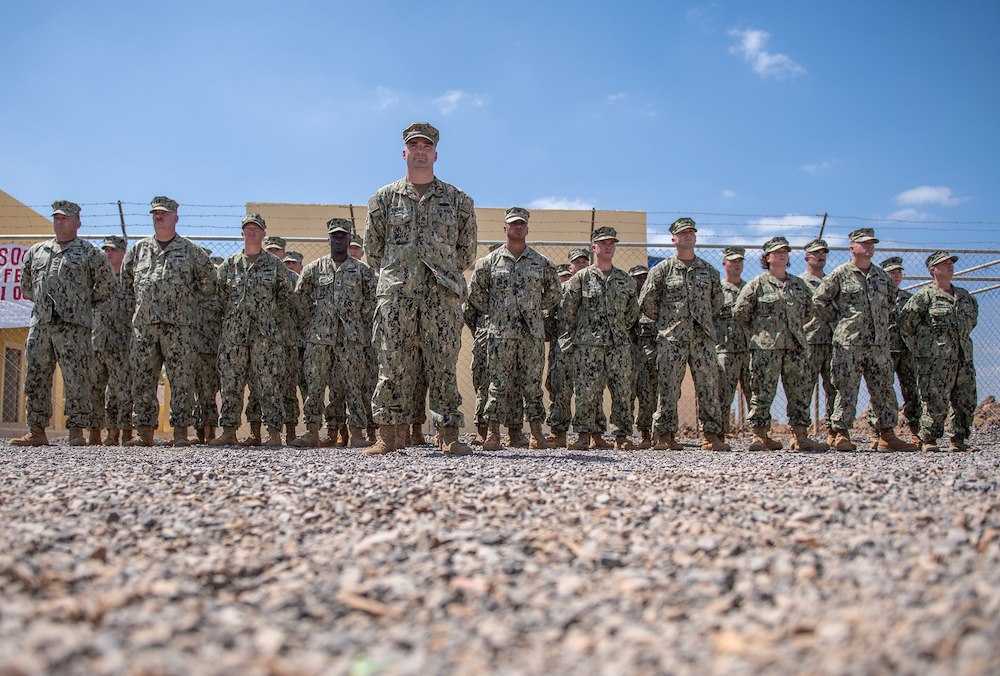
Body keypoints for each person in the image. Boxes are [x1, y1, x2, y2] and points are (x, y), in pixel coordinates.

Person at [364, 122, 477, 456]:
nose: (420, 151)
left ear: (435, 154)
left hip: (441, 295)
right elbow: (373, 250)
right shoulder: (383, 199)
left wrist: (441, 274)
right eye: (414, 146)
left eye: (426, 146)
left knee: (442, 362)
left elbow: (467, 252)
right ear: (404, 153)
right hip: (397, 294)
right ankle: (390, 434)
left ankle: (449, 434)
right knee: (392, 362)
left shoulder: (458, 201)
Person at [12, 201, 115, 447]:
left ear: (77, 223)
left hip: (74, 327)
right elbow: (27, 286)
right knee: (36, 376)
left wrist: (80, 305)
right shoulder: (37, 251)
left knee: (76, 378)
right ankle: (37, 430)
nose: (60, 222)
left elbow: (106, 285)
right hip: (41, 325)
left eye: (65, 218)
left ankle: (77, 431)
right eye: (56, 218)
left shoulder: (90, 252)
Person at [119, 196, 217, 446]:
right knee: (143, 377)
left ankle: (181, 433)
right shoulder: (139, 250)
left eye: (164, 213)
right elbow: (127, 286)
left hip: (179, 327)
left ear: (176, 217)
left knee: (181, 379)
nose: (158, 216)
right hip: (145, 326)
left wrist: (184, 304)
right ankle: (144, 432)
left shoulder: (191, 251)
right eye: (155, 213)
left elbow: (208, 286)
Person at [811, 228, 916, 451]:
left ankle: (886, 435)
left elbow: (890, 302)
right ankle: (841, 433)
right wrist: (840, 320)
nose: (869, 247)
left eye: (872, 244)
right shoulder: (841, 274)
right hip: (849, 343)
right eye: (864, 244)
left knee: (883, 389)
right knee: (846, 388)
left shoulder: (881, 276)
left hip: (878, 344)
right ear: (852, 247)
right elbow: (819, 301)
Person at [468, 207, 561, 450]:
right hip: (500, 333)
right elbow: (475, 294)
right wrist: (499, 310)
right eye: (513, 223)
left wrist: (533, 309)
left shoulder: (541, 263)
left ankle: (536, 434)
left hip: (532, 334)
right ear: (505, 228)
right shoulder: (488, 262)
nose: (518, 227)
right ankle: (493, 433)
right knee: (498, 384)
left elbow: (554, 292)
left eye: (522, 224)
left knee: (532, 384)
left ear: (527, 228)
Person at [638, 217, 729, 451]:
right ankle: (665, 435)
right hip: (672, 338)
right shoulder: (661, 270)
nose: (688, 236)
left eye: (691, 232)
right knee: (668, 387)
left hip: (702, 338)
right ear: (673, 239)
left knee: (708, 386)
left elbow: (717, 302)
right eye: (683, 233)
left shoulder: (709, 271)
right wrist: (668, 322)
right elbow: (647, 302)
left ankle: (711, 435)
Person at [733, 237, 829, 451]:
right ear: (767, 258)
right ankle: (759, 436)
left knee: (799, 392)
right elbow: (740, 312)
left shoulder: (798, 285)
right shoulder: (757, 284)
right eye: (777, 252)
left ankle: (800, 436)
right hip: (766, 349)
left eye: (785, 251)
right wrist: (761, 333)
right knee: (762, 392)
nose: (782, 255)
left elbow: (808, 311)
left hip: (795, 346)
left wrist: (792, 329)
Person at [209, 214, 293, 447]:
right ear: (242, 233)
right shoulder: (230, 265)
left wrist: (272, 323)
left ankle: (274, 433)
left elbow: (285, 298)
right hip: (234, 336)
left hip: (265, 336)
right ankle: (228, 431)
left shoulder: (274, 265)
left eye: (256, 228)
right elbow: (220, 298)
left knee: (268, 384)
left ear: (264, 233)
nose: (251, 232)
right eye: (247, 228)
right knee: (231, 384)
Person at [292, 218, 377, 449]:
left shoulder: (363, 271)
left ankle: (357, 433)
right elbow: (300, 299)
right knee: (315, 385)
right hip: (319, 337)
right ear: (328, 239)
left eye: (342, 236)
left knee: (354, 386)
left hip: (351, 338)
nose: (338, 240)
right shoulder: (313, 269)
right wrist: (312, 323)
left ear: (349, 239)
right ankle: (311, 431)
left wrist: (357, 321)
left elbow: (372, 301)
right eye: (334, 236)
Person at [561, 226, 639, 450]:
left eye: (612, 243)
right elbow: (568, 310)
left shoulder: (625, 280)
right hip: (589, 345)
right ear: (594, 247)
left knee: (622, 392)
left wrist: (618, 329)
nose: (608, 246)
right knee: (586, 391)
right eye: (603, 243)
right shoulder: (581, 279)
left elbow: (632, 312)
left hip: (618, 345)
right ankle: (584, 435)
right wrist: (585, 332)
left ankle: (622, 437)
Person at [899, 251, 979, 452]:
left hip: (963, 359)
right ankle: (929, 440)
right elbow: (906, 324)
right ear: (932, 270)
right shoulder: (924, 296)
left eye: (951, 263)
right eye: (944, 264)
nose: (950, 266)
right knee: (935, 401)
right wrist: (920, 350)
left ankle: (958, 440)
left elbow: (972, 322)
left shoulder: (965, 297)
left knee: (966, 400)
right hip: (934, 361)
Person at [544, 248, 593, 446]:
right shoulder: (560, 290)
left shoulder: (595, 289)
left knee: (589, 391)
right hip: (563, 346)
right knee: (560, 389)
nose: (581, 264)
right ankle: (558, 433)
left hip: (589, 346)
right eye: (577, 262)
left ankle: (590, 434)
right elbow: (548, 315)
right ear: (570, 266)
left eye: (584, 261)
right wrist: (557, 336)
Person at [89, 236, 133, 446]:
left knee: (122, 391)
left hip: (122, 344)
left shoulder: (130, 281)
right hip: (98, 341)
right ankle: (96, 432)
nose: (108, 254)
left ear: (124, 253)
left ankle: (122, 432)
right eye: (105, 250)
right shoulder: (96, 281)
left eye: (113, 250)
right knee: (95, 388)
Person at [800, 239, 836, 443]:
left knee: (834, 388)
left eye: (823, 253)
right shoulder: (800, 282)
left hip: (832, 340)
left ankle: (835, 432)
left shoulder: (832, 281)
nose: (820, 256)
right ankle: (801, 432)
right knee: (804, 388)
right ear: (806, 258)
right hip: (809, 340)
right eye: (815, 253)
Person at [880, 256, 920, 440]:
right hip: (884, 350)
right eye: (891, 272)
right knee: (883, 391)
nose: (896, 275)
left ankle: (916, 431)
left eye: (899, 272)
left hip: (906, 351)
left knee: (912, 391)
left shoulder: (909, 299)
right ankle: (879, 431)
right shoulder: (877, 298)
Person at [714, 246, 750, 440]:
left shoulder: (751, 289)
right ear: (724, 263)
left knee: (755, 394)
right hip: (725, 350)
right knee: (723, 395)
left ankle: (760, 435)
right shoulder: (717, 291)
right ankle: (718, 435)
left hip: (750, 349)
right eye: (733, 260)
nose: (737, 264)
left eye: (740, 261)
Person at [191, 246, 222, 444]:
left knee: (211, 390)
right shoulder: (190, 287)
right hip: (193, 345)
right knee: (196, 391)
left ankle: (211, 432)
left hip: (215, 346)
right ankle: (199, 431)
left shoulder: (218, 288)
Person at [629, 265, 657, 449]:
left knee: (648, 397)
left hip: (649, 358)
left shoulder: (653, 304)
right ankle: (622, 434)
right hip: (629, 358)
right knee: (626, 396)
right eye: (637, 278)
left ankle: (646, 434)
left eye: (644, 278)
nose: (641, 281)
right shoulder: (625, 301)